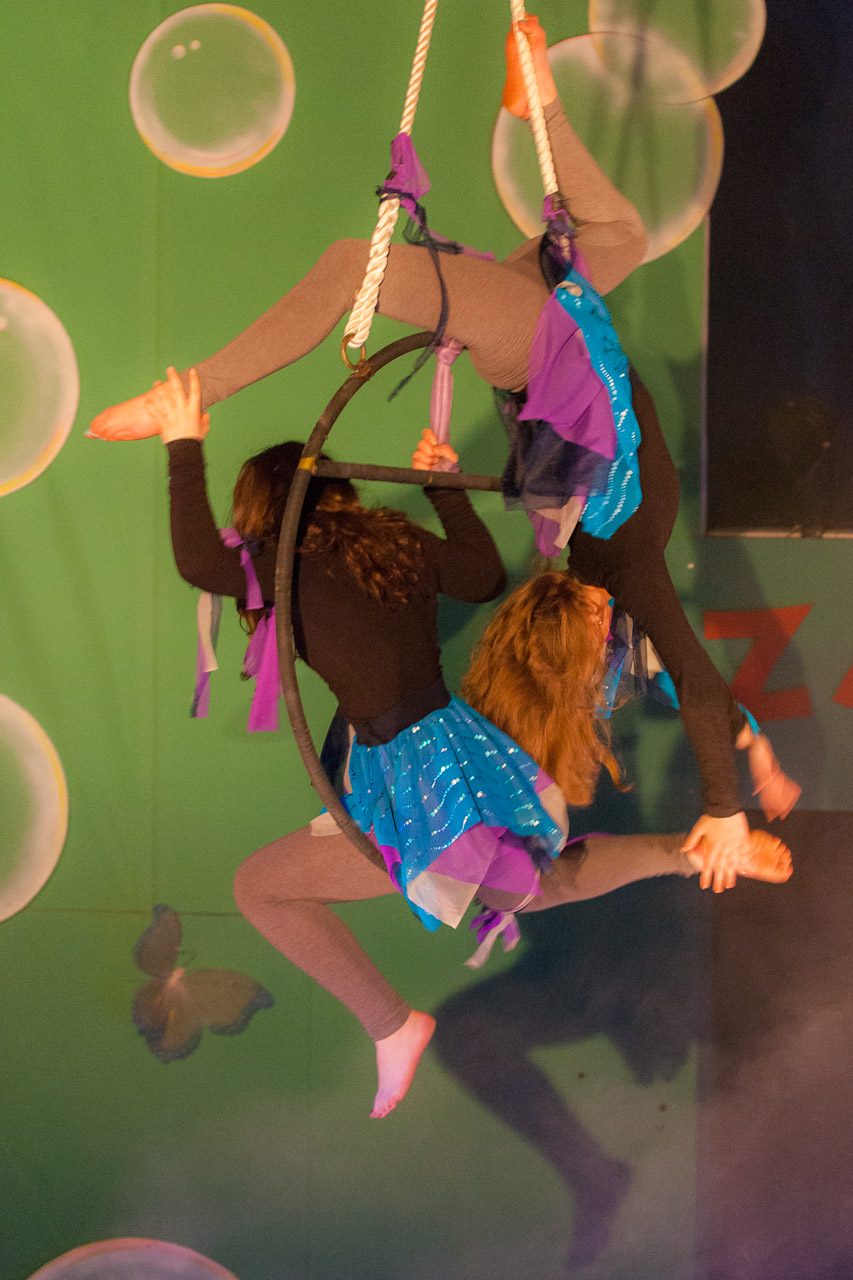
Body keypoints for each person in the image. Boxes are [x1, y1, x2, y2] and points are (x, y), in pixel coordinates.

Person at [89, 18, 798, 890]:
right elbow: (687, 677)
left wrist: (726, 801)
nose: (588, 622)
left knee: (353, 264)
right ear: (611, 632)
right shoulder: (624, 566)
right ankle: (535, 101)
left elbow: (679, 671)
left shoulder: (610, 558)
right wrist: (744, 775)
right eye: (599, 637)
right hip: (561, 324)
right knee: (621, 236)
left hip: (542, 342)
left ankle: (193, 392)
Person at [147, 369, 791, 1118]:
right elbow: (482, 576)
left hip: (413, 772)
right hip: (449, 749)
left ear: (262, 515)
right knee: (528, 885)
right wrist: (443, 491)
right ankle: (685, 852)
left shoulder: (282, 565)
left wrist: (182, 444)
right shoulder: (389, 544)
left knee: (263, 887)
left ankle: (391, 1024)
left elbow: (197, 562)